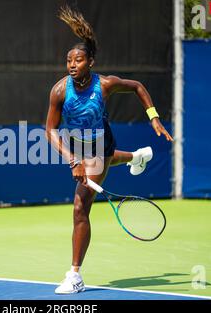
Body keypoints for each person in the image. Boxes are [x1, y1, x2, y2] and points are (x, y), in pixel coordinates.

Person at [45, 5, 173, 294]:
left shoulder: (105, 85)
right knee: (107, 162)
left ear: (90, 62)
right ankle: (138, 156)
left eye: (78, 59)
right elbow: (50, 129)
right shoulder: (59, 91)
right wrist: (72, 159)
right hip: (81, 147)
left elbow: (138, 86)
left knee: (80, 206)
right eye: (68, 60)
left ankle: (75, 276)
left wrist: (153, 117)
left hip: (101, 145)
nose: (72, 64)